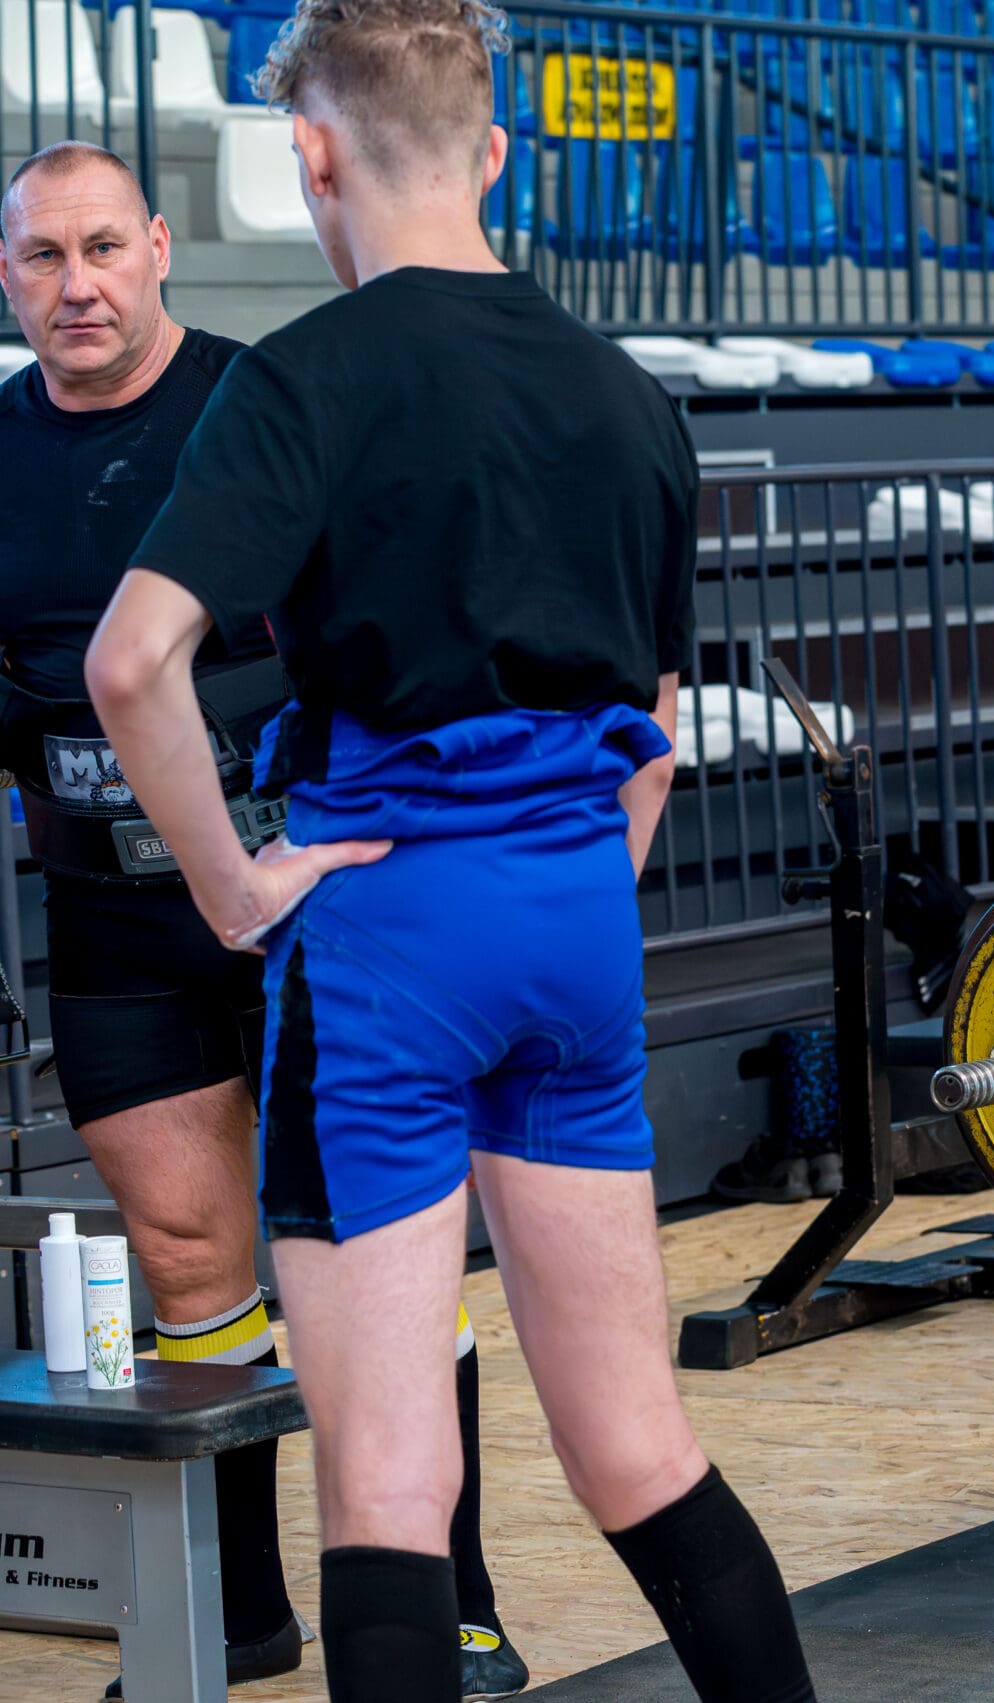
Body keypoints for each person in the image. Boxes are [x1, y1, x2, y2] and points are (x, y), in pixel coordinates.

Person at [80, 5, 815, 1699]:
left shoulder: (302, 377)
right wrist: (568, 880)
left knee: (388, 1486)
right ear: (491, 152)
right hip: (574, 930)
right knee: (638, 1440)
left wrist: (234, 885)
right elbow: (654, 715)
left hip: (388, 932)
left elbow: (130, 663)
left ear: (311, 156)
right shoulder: (626, 391)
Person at [0, 138, 526, 1700]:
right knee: (188, 1264)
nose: (79, 284)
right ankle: (233, 1612)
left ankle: (455, 1602)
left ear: (161, 248)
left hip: (321, 904)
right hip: (115, 924)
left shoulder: (270, 402)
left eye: (105, 246)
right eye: (43, 256)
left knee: (375, 1263)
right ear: (6, 276)